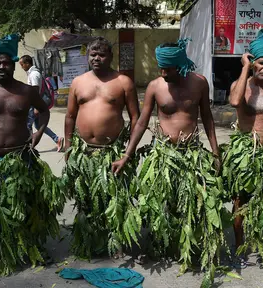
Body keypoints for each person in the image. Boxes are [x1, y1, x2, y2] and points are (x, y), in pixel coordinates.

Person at [112, 39, 225, 274]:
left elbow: (207, 117)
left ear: (181, 65)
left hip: (191, 152)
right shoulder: (155, 86)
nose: (163, 73)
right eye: (161, 68)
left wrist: (215, 152)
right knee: (162, 203)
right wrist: (126, 154)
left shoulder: (200, 83)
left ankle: (189, 248)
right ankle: (162, 245)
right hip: (163, 153)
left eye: (169, 69)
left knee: (194, 203)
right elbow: (142, 122)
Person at [0, 34, 65, 274]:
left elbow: (44, 111)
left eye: (6, 63)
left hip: (22, 157)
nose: (2, 67)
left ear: (14, 65)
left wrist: (39, 133)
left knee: (26, 204)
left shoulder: (27, 91)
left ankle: (32, 246)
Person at [63, 37, 140, 258]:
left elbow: (136, 118)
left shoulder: (123, 82)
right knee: (86, 198)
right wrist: (69, 150)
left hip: (112, 151)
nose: (96, 59)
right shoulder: (78, 82)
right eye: (93, 55)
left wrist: (128, 151)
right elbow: (69, 117)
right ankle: (90, 241)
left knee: (114, 199)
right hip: (83, 150)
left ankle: (116, 242)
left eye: (102, 55)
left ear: (110, 57)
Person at [223, 29, 263, 268]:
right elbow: (235, 102)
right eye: (260, 63)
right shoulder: (243, 86)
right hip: (246, 152)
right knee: (241, 202)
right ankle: (238, 246)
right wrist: (245, 68)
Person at [19, 55, 64, 152]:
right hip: (35, 103)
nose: (21, 67)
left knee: (28, 124)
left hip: (35, 104)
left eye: (22, 64)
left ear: (27, 63)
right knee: (38, 126)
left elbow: (35, 91)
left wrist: (36, 106)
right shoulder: (33, 73)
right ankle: (57, 139)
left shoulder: (34, 74)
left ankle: (29, 146)